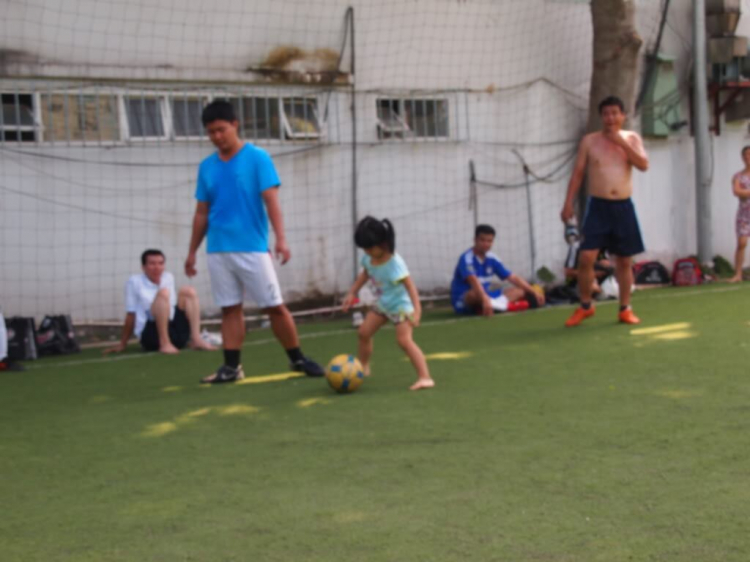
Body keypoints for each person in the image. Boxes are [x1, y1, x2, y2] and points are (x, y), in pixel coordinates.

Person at [185, 100, 324, 384]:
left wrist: (281, 239)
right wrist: (192, 251)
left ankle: (297, 358)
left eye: (221, 130)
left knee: (274, 306)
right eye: (210, 132)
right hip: (218, 250)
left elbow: (271, 201)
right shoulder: (207, 167)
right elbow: (201, 212)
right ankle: (232, 367)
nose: (216, 137)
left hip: (252, 248)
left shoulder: (258, 158)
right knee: (230, 308)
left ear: (235, 124)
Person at [560, 95, 649, 327]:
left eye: (614, 113)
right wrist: (568, 202)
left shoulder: (631, 138)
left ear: (622, 115)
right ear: (601, 117)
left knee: (624, 261)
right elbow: (578, 172)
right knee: (586, 256)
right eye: (606, 114)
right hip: (597, 206)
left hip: (623, 205)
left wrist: (620, 142)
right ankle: (586, 305)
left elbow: (643, 165)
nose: (610, 118)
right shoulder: (589, 141)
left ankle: (625, 308)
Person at [342, 216, 434, 391]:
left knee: (404, 342)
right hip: (383, 304)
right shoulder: (369, 258)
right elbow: (366, 274)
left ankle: (425, 377)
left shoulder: (395, 263)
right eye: (364, 248)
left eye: (369, 248)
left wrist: (417, 311)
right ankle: (363, 366)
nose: (366, 252)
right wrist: (352, 292)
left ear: (383, 243)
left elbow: (411, 287)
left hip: (400, 307)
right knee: (363, 333)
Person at [103, 249, 215, 355]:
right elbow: (131, 314)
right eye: (152, 264)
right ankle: (164, 343)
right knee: (164, 294)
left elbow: (172, 307)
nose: (157, 267)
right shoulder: (134, 282)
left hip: (175, 332)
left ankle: (196, 339)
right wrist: (123, 344)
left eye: (161, 263)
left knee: (188, 291)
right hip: (151, 335)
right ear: (143, 267)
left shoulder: (168, 277)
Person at [450, 224, 544, 316]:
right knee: (473, 294)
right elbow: (473, 281)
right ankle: (498, 305)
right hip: (465, 299)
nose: (486, 244)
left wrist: (534, 292)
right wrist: (485, 298)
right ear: (475, 240)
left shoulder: (492, 258)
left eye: (489, 241)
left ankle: (494, 306)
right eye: (482, 240)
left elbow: (512, 277)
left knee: (520, 291)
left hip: (486, 295)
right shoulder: (466, 258)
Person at [563, 221, 613, 298]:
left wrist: (606, 265)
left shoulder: (600, 246)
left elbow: (604, 261)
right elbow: (568, 272)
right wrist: (593, 274)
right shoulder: (576, 247)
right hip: (578, 282)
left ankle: (602, 290)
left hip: (597, 279)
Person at [729, 146, 750, 283]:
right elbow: (736, 191)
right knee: (741, 243)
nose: (748, 157)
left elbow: (742, 191)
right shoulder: (738, 176)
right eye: (746, 155)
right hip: (744, 214)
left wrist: (745, 191)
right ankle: (738, 273)